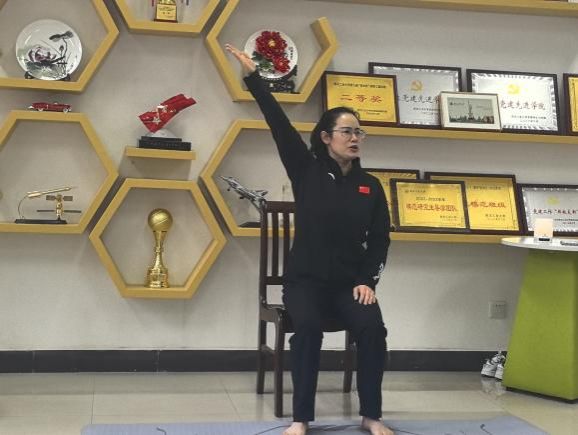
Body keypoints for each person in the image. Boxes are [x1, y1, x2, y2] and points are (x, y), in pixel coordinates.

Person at [226, 44, 393, 435]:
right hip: (305, 284)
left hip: (349, 285)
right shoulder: (306, 170)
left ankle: (372, 415)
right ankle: (301, 419)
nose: (355, 138)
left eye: (359, 132)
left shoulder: (370, 186)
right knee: (309, 330)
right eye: (347, 131)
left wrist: (367, 281)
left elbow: (380, 240)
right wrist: (254, 79)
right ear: (326, 137)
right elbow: (279, 126)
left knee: (372, 328)